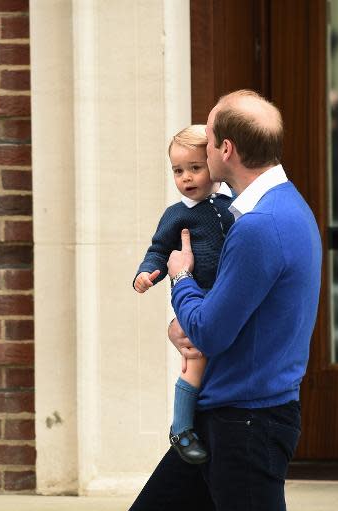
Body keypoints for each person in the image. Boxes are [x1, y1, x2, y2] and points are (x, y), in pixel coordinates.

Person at [130, 90, 322, 511]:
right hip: (230, 413)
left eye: (209, 137)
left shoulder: (259, 225)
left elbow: (211, 332)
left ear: (226, 149)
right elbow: (227, 314)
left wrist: (180, 277)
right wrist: (181, 324)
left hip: (246, 423)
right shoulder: (284, 206)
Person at [133, 124, 235, 464]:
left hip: (229, 297)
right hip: (198, 298)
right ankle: (182, 427)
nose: (186, 178)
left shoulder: (233, 204)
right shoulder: (177, 214)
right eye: (178, 171)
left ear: (215, 162)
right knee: (195, 357)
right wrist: (146, 274)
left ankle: (212, 420)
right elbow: (159, 250)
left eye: (195, 167)